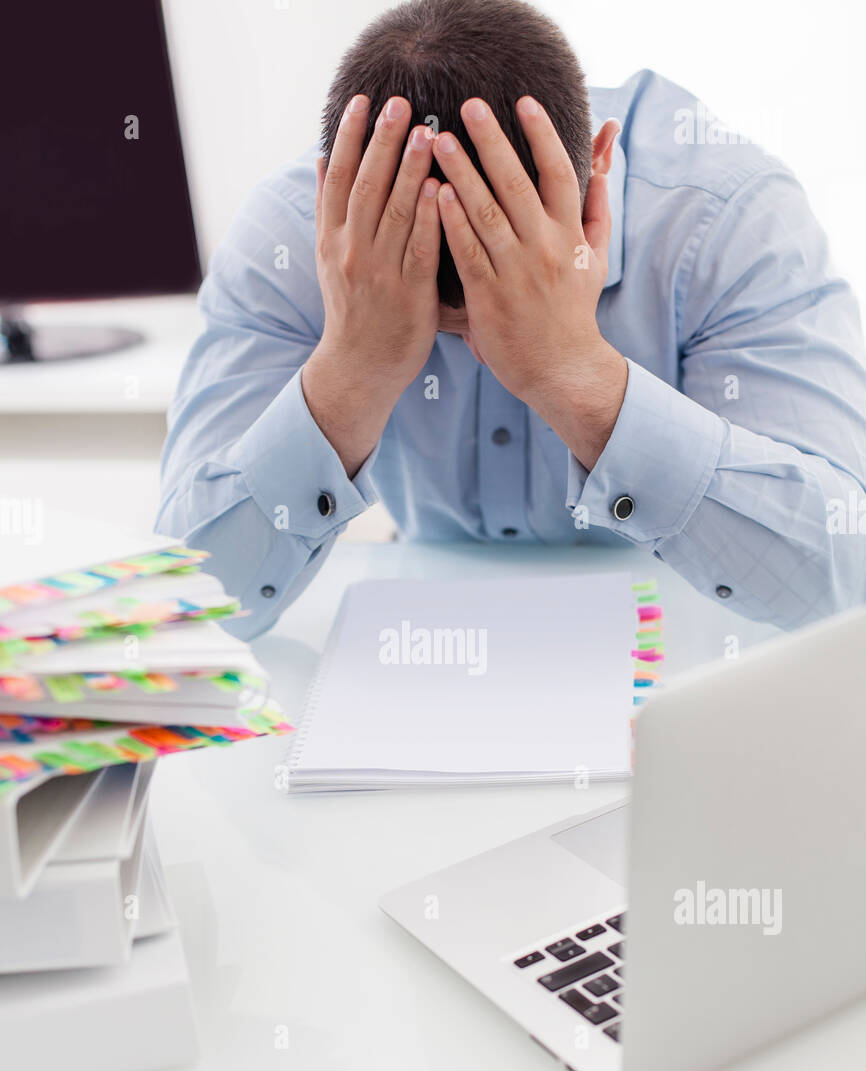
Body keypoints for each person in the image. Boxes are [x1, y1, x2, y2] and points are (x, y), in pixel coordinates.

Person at [158, 0, 866, 638]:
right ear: (332, 191)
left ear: (597, 166)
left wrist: (574, 374)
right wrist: (352, 371)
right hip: (428, 649)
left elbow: (842, 578)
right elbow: (190, 607)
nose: (478, 346)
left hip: (697, 652)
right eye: (446, 321)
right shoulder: (287, 235)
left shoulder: (729, 217)